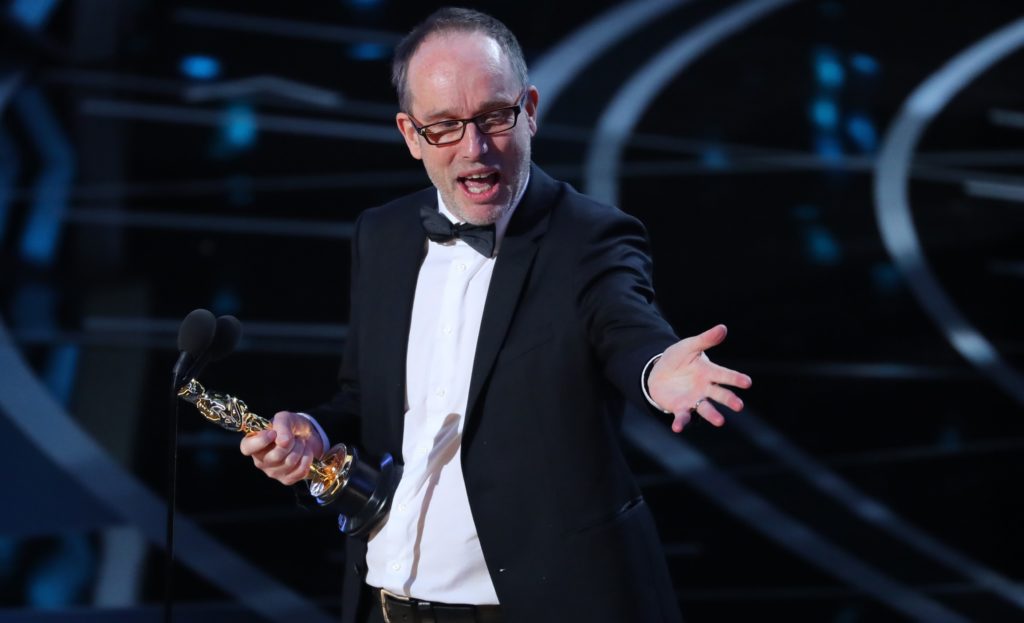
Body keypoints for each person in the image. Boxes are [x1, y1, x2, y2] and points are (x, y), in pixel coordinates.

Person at [239, 8, 751, 623]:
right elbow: (364, 397)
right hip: (384, 602)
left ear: (529, 109)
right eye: (445, 127)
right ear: (410, 134)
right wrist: (315, 435)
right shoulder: (383, 235)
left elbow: (625, 324)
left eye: (494, 118)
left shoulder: (586, 239)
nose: (475, 150)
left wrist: (654, 370)